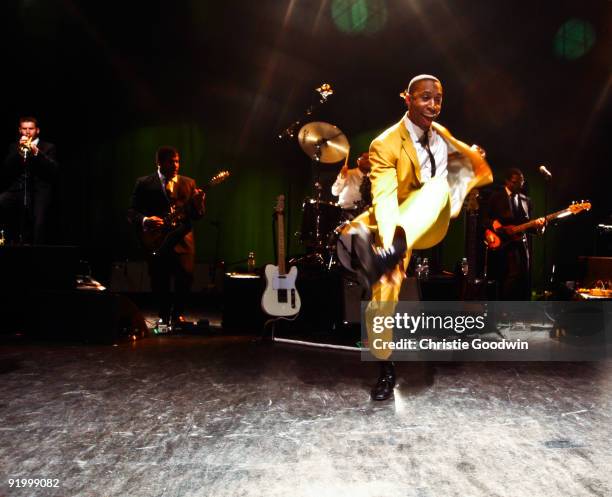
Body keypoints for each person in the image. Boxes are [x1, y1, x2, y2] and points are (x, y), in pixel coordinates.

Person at [349, 74, 493, 400]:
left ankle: (390, 250)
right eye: (425, 98)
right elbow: (384, 197)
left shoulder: (440, 135)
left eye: (438, 98)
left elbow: (461, 166)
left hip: (435, 220)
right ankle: (385, 367)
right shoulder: (385, 143)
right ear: (408, 99)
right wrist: (390, 244)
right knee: (383, 292)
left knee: (438, 185)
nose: (433, 105)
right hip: (401, 222)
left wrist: (470, 156)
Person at [127, 146, 206, 326]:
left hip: (183, 240)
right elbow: (131, 212)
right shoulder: (144, 183)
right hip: (157, 240)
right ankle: (163, 314)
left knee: (185, 277)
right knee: (159, 278)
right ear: (159, 162)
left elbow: (197, 215)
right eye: (171, 161)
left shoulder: (189, 183)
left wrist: (200, 203)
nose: (176, 165)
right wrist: (146, 220)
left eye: (177, 161)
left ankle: (178, 315)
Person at [483, 168, 544, 300]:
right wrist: (493, 222)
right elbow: (484, 219)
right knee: (507, 276)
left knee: (523, 275)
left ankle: (518, 310)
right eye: (516, 182)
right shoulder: (496, 197)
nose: (519, 185)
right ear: (507, 182)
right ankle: (503, 309)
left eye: (521, 182)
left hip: (520, 244)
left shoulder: (526, 200)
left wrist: (539, 227)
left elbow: (528, 225)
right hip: (501, 243)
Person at [0, 116, 59, 244]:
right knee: (2, 201)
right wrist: (18, 151)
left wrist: (37, 153)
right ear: (19, 130)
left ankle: (36, 255)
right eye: (24, 129)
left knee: (38, 226)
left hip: (39, 191)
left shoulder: (49, 147)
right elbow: (6, 168)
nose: (27, 132)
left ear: (37, 130)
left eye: (31, 128)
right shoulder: (13, 147)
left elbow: (53, 169)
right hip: (18, 190)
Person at [331, 152, 372, 220]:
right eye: (365, 158)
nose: (368, 160)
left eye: (370, 158)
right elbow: (335, 192)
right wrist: (341, 178)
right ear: (358, 161)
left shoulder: (373, 178)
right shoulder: (348, 174)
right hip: (344, 214)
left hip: (363, 217)